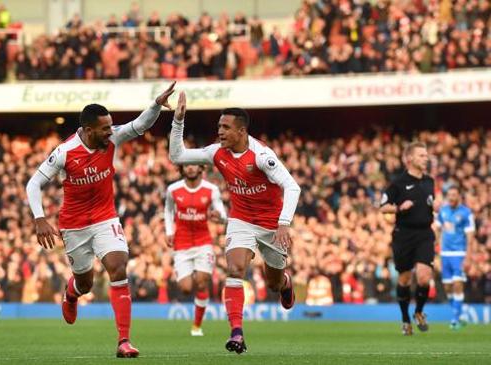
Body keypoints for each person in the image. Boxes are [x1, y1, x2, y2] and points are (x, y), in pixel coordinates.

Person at [25, 82, 176, 358]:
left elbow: (138, 125)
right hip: (74, 225)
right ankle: (71, 294)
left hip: (106, 218)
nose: (111, 131)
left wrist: (156, 104)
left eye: (111, 127)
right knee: (85, 284)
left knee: (118, 268)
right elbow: (34, 184)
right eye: (105, 128)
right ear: (89, 130)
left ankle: (124, 341)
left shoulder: (112, 138)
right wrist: (39, 219)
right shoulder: (65, 152)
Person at [169, 92, 301, 354]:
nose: (220, 131)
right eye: (219, 126)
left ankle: (285, 282)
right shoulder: (217, 153)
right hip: (240, 220)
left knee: (273, 283)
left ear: (241, 131)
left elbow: (292, 186)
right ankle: (237, 333)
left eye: (225, 127)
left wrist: (284, 223)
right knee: (234, 269)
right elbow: (177, 156)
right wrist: (178, 121)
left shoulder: (262, 155)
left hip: (271, 225)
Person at [379, 141, 435, 336]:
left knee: (424, 276)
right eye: (421, 155)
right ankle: (405, 320)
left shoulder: (429, 182)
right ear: (410, 159)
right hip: (403, 235)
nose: (425, 158)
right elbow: (383, 206)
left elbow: (429, 203)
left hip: (425, 234)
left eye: (426, 155)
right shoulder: (398, 183)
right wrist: (398, 208)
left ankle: (419, 312)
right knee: (404, 278)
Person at [164, 164, 227, 336]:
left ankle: (197, 326)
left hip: (203, 242)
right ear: (182, 169)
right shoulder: (173, 189)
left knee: (202, 282)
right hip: (181, 243)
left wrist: (219, 216)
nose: (190, 168)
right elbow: (168, 211)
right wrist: (169, 232)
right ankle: (192, 276)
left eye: (193, 165)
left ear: (201, 168)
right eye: (186, 165)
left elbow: (221, 211)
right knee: (185, 288)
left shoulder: (211, 189)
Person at [436, 186, 476, 330]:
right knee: (447, 288)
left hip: (459, 254)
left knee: (458, 284)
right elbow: (437, 231)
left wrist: (468, 257)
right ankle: (458, 314)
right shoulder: (443, 211)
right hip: (445, 254)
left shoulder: (466, 213)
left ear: (459, 196)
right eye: (450, 195)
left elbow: (470, 238)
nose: (452, 197)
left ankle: (454, 320)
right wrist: (436, 253)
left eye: (454, 195)